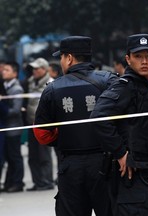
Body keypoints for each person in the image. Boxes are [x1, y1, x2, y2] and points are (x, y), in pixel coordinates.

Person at [33, 36, 117, 216]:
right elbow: (124, 122)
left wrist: (63, 134)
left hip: (71, 166)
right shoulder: (109, 81)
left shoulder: (52, 89)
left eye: (61, 57)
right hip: (106, 163)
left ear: (69, 58)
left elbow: (41, 134)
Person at [90, 33, 148, 216]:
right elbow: (99, 117)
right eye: (138, 56)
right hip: (130, 175)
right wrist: (120, 153)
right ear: (128, 59)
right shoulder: (124, 86)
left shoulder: (147, 88)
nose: (144, 61)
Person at [26, 57, 54, 191]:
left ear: (45, 69)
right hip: (31, 124)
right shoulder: (31, 82)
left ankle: (47, 181)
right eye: (33, 68)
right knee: (32, 156)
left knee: (44, 155)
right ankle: (37, 182)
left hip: (43, 125)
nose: (34, 71)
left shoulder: (50, 83)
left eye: (37, 68)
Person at [1, 62, 24, 192]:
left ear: (15, 73)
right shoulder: (5, 86)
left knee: (15, 157)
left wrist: (3, 110)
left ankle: (18, 183)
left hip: (13, 128)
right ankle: (9, 182)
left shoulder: (17, 89)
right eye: (3, 70)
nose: (4, 72)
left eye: (7, 70)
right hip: (6, 128)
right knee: (9, 157)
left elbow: (15, 110)